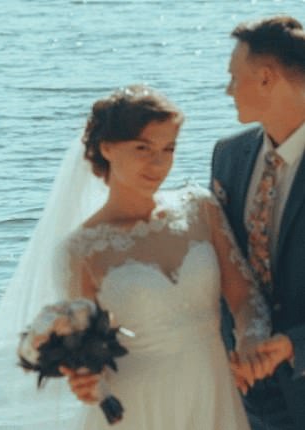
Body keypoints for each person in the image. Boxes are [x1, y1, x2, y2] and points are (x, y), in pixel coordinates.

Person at [0, 86, 271, 429]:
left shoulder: (201, 209)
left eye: (169, 149)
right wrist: (89, 382)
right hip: (138, 407)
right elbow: (89, 351)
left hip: (213, 393)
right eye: (142, 148)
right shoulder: (81, 250)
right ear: (107, 149)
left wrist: (252, 341)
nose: (158, 163)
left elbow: (243, 296)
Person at [211, 15, 305, 430]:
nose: (228, 89)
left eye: (234, 77)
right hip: (242, 390)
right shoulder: (228, 156)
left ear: (267, 78)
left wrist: (294, 345)